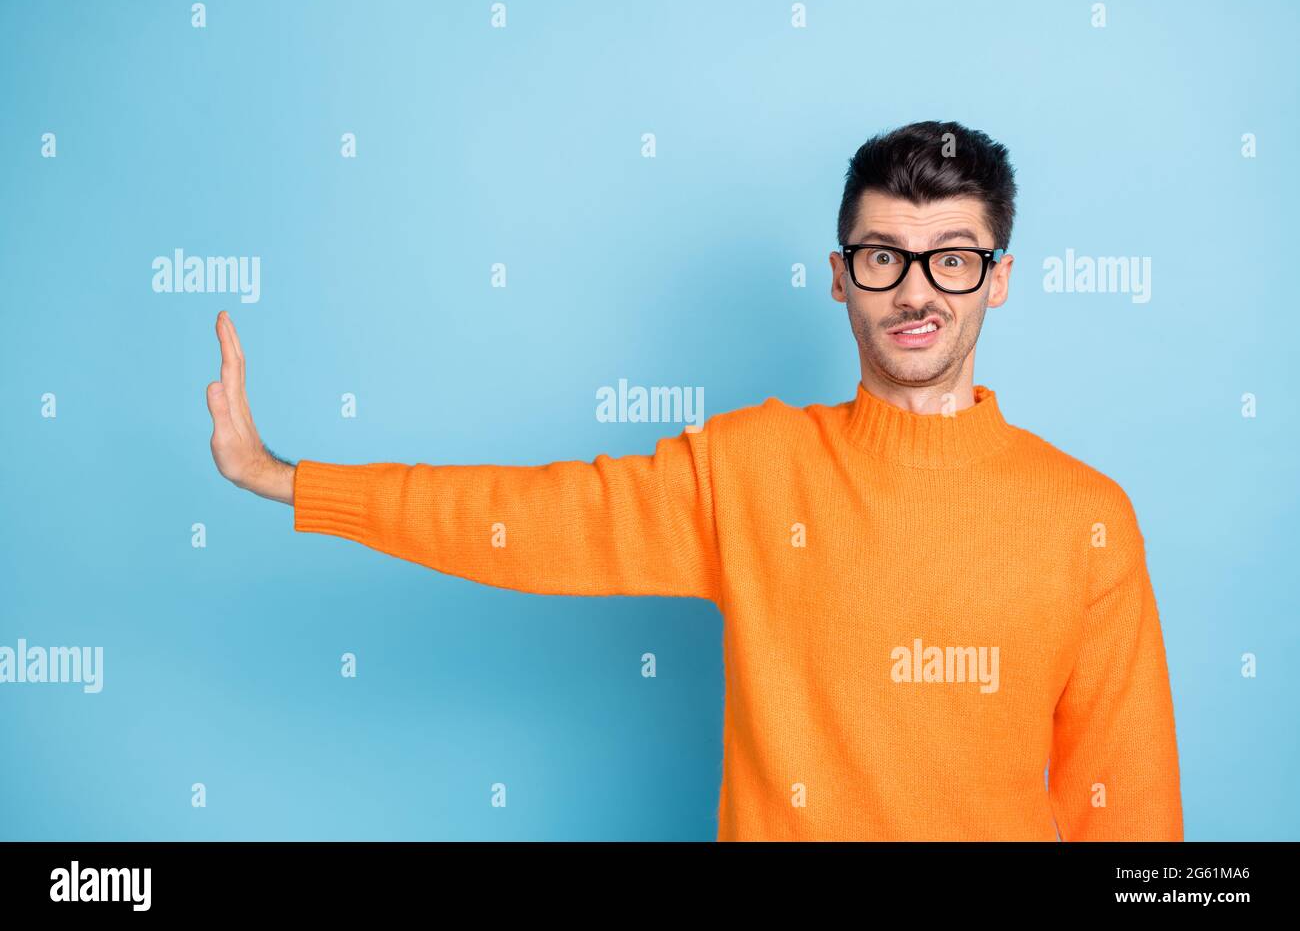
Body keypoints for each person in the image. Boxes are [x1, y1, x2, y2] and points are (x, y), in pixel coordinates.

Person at [206, 120, 1183, 841]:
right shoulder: (753, 467)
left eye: (953, 259)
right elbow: (530, 517)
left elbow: (1130, 810)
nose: (916, 289)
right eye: (884, 256)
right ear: (841, 275)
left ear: (997, 277)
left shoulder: (1083, 516)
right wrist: (287, 478)